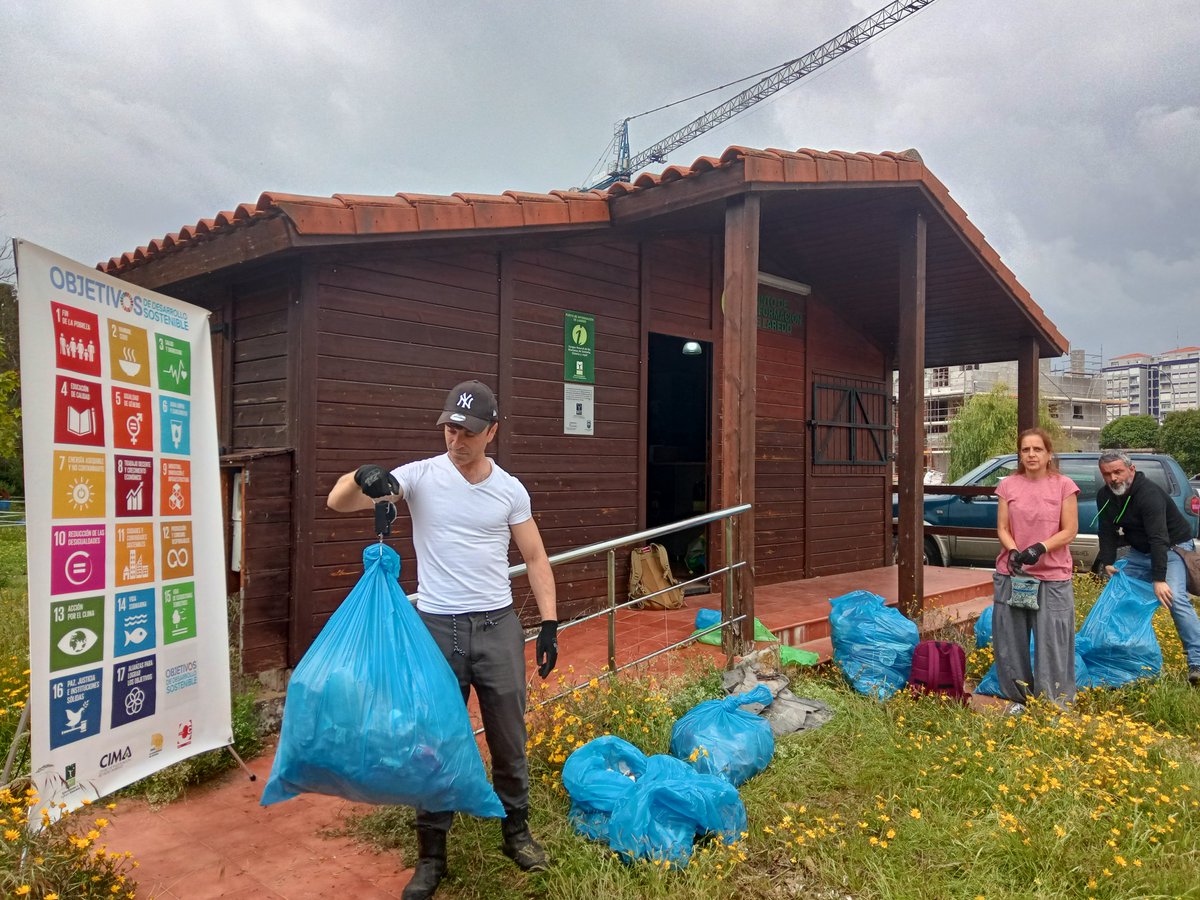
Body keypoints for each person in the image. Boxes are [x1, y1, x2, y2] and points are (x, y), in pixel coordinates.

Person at [327, 379, 559, 900]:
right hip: (435, 628)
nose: (457, 438)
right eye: (451, 427)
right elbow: (338, 502)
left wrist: (548, 624)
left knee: (508, 736)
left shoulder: (509, 489)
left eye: (469, 431)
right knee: (432, 741)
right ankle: (432, 855)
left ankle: (515, 832)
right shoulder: (418, 477)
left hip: (498, 627)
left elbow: (537, 558)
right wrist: (360, 476)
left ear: (492, 432)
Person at [1094, 450, 1200, 686]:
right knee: (1119, 595)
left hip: (1172, 548)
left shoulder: (1148, 494)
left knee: (1174, 598)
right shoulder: (1105, 495)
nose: (1113, 478)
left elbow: (1159, 538)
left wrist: (1159, 579)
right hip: (1140, 551)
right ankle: (1122, 656)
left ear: (1131, 470)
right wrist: (1108, 561)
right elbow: (1106, 529)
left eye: (1118, 471)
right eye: (1107, 474)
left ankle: (1197, 661)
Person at [992, 427, 1080, 710]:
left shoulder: (1064, 485)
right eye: (1025, 449)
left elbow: (1070, 530)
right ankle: (1018, 699)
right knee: (1011, 642)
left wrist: (1040, 548)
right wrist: (1015, 550)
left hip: (1052, 577)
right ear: (1020, 454)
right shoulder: (1008, 485)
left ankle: (1054, 702)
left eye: (1037, 449)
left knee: (1053, 642)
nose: (1031, 454)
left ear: (1048, 454)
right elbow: (1002, 528)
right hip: (1014, 575)